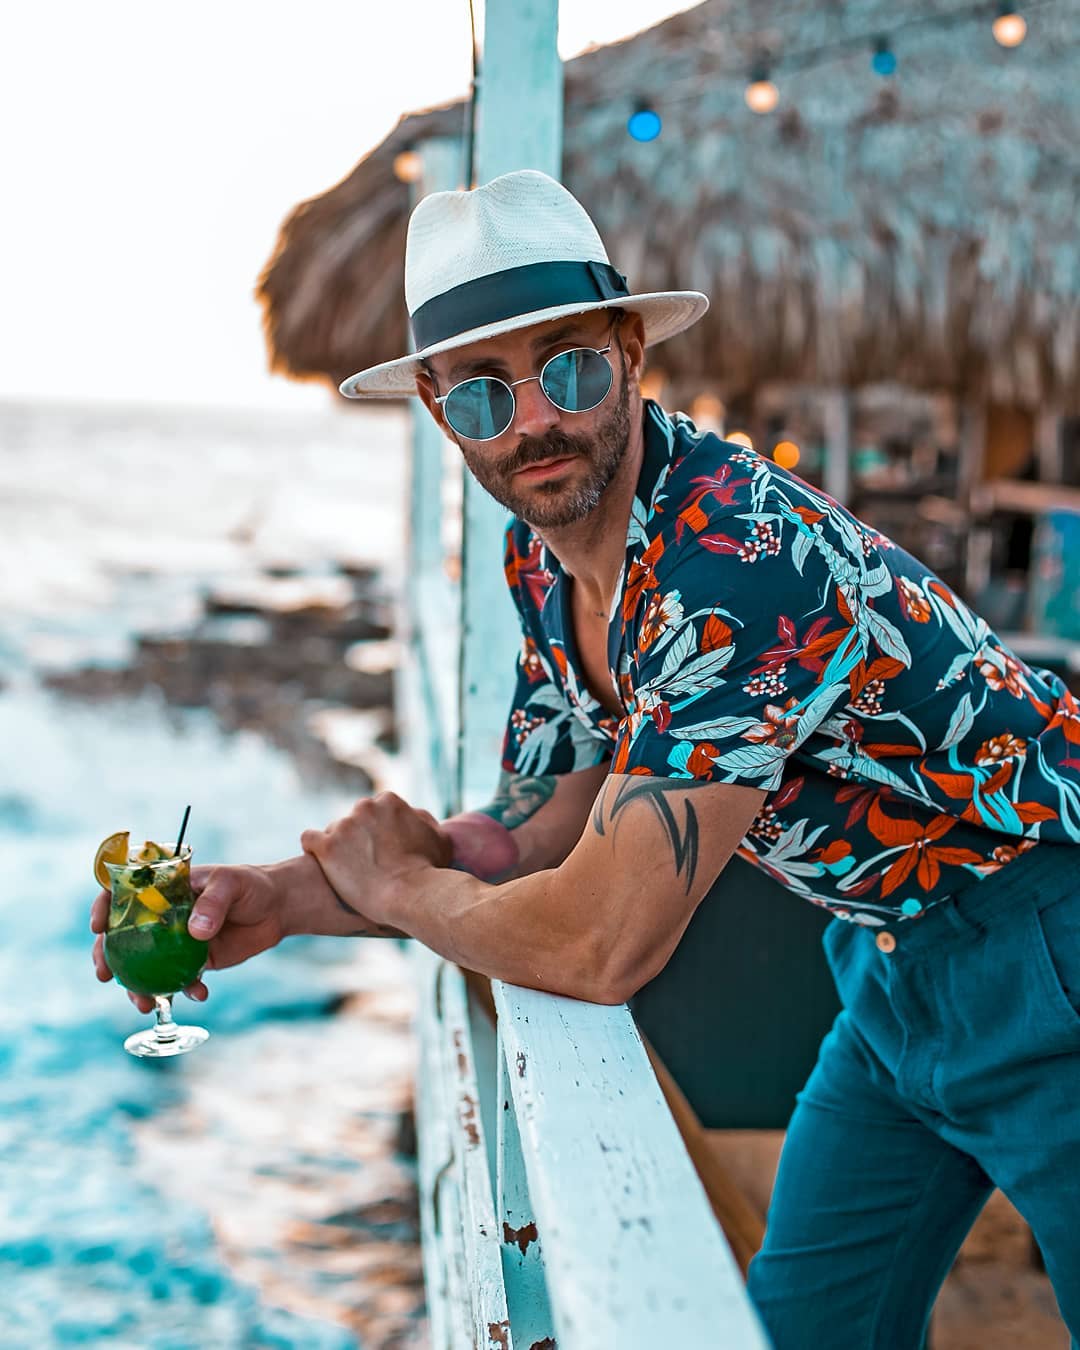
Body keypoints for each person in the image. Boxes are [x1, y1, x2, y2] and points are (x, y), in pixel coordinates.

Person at [91, 170, 1080, 1347]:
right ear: (432, 403)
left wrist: (402, 890)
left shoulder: (737, 562)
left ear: (629, 351)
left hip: (1052, 941)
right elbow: (536, 828)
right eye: (480, 397)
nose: (532, 426)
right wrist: (284, 897)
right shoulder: (545, 559)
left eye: (567, 367)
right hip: (890, 972)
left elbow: (600, 944)